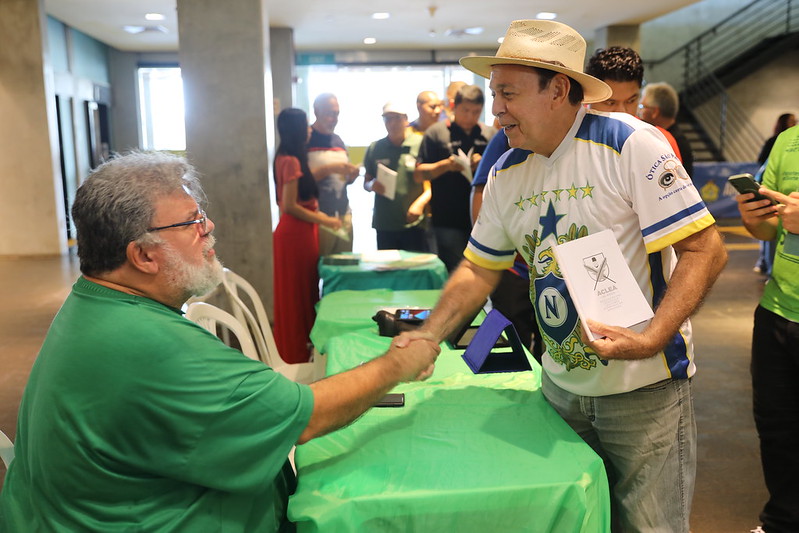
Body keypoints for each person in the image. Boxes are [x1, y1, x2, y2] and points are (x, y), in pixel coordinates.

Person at [398, 19, 727, 532]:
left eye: (508, 93)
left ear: (558, 89)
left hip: (645, 389)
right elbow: (478, 268)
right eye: (493, 94)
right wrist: (427, 336)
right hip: (559, 388)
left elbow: (706, 248)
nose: (496, 108)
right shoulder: (507, 169)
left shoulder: (630, 144)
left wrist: (653, 336)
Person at [0, 151, 440, 532]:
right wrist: (396, 364)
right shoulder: (151, 345)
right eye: (191, 222)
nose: (209, 226)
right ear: (143, 255)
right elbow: (306, 418)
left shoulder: (95, 303)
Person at [735, 124, 799, 533]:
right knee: (778, 429)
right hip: (777, 311)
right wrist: (753, 218)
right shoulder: (789, 141)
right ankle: (782, 520)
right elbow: (768, 230)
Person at [273, 108, 341, 363]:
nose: (310, 129)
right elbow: (289, 206)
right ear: (297, 129)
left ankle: (304, 345)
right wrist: (324, 219)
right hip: (295, 234)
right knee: (298, 295)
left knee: (304, 290)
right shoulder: (289, 159)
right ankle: (297, 350)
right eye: (306, 125)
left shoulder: (287, 156)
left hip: (299, 233)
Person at [471, 130, 542, 361]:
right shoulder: (505, 139)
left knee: (550, 349)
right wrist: (487, 247)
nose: (498, 109)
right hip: (512, 266)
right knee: (507, 346)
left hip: (555, 271)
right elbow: (480, 191)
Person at [414, 84, 496, 272]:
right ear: (453, 106)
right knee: (455, 272)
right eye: (465, 110)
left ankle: (480, 303)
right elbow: (418, 174)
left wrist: (484, 164)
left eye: (476, 112)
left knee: (482, 271)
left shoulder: (489, 135)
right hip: (447, 219)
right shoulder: (436, 133)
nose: (470, 117)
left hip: (484, 218)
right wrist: (445, 165)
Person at [585, 47, 686, 169]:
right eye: (610, 103)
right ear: (588, 97)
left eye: (630, 101)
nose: (622, 112)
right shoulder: (567, 136)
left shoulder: (660, 141)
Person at [362, 103, 428, 251]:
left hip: (413, 222)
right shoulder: (375, 148)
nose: (392, 123)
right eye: (387, 119)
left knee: (414, 270)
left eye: (396, 118)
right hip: (385, 223)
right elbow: (366, 182)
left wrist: (420, 204)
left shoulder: (420, 143)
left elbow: (431, 181)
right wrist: (371, 185)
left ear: (405, 119)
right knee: (388, 270)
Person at [307, 93, 361, 256]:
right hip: (317, 216)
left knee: (343, 269)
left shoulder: (338, 140)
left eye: (336, 113)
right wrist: (330, 168)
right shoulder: (306, 139)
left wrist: (351, 176)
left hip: (343, 214)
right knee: (316, 271)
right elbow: (299, 181)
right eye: (329, 113)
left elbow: (342, 180)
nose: (334, 118)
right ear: (316, 112)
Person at [638, 81, 695, 177]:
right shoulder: (677, 138)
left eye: (642, 106)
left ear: (655, 112)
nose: (639, 111)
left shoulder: (672, 141)